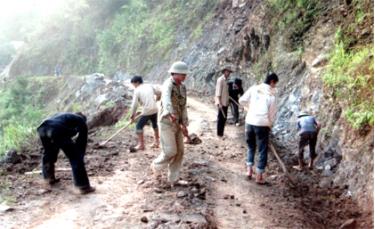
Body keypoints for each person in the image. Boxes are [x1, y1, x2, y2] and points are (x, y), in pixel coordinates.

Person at [37, 112, 95, 194]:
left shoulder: (62, 116)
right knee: (75, 158)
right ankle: (83, 186)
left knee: (48, 154)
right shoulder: (81, 120)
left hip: (42, 128)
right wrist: (79, 157)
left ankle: (48, 179)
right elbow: (82, 141)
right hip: (56, 129)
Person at [151, 61, 189, 186]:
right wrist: (169, 112)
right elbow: (166, 99)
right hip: (166, 122)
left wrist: (184, 123)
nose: (185, 76)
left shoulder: (182, 87)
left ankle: (174, 178)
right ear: (175, 73)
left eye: (185, 74)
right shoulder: (167, 85)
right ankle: (156, 165)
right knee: (170, 151)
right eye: (182, 74)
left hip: (177, 122)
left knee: (180, 151)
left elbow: (183, 106)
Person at [239, 72, 278, 184]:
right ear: (272, 82)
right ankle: (259, 176)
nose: (274, 86)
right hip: (262, 124)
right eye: (275, 84)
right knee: (262, 150)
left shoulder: (254, 88)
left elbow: (241, 100)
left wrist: (249, 109)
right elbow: (272, 114)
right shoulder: (271, 96)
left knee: (251, 146)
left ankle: (249, 170)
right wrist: (269, 124)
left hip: (249, 122)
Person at [129, 75, 160, 150]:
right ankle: (157, 142)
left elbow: (134, 105)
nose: (133, 86)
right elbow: (159, 92)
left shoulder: (137, 90)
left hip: (147, 111)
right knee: (154, 124)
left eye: (133, 84)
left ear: (137, 82)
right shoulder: (149, 86)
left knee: (138, 127)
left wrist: (132, 116)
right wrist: (157, 99)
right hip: (155, 109)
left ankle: (141, 145)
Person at [215, 65, 233, 137]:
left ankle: (221, 133)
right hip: (221, 102)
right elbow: (218, 92)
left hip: (225, 102)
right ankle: (219, 133)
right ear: (224, 72)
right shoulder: (220, 80)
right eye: (227, 71)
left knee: (224, 118)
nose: (228, 73)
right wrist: (219, 102)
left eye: (229, 72)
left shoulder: (226, 80)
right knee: (220, 118)